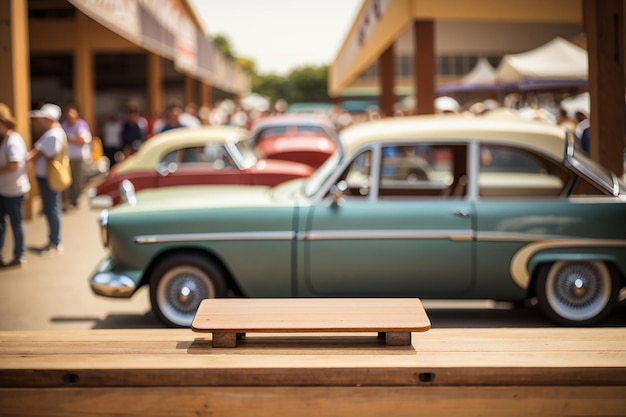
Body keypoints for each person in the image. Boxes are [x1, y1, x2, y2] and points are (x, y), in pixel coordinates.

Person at [26, 103, 66, 255]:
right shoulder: (53, 132)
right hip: (46, 176)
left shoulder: (53, 134)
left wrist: (35, 154)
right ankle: (53, 239)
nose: (40, 121)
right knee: (50, 207)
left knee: (52, 208)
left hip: (48, 177)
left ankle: (55, 240)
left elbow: (47, 152)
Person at [0, 103, 31, 267]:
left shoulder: (13, 140)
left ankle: (19, 255)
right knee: (1, 224)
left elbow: (14, 165)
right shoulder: (3, 139)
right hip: (3, 189)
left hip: (14, 190)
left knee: (16, 223)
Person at [61, 101, 92, 209]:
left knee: (77, 180)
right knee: (67, 180)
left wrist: (69, 139)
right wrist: (74, 138)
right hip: (66, 157)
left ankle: (76, 200)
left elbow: (82, 140)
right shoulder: (63, 125)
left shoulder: (81, 124)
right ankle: (69, 200)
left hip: (79, 157)